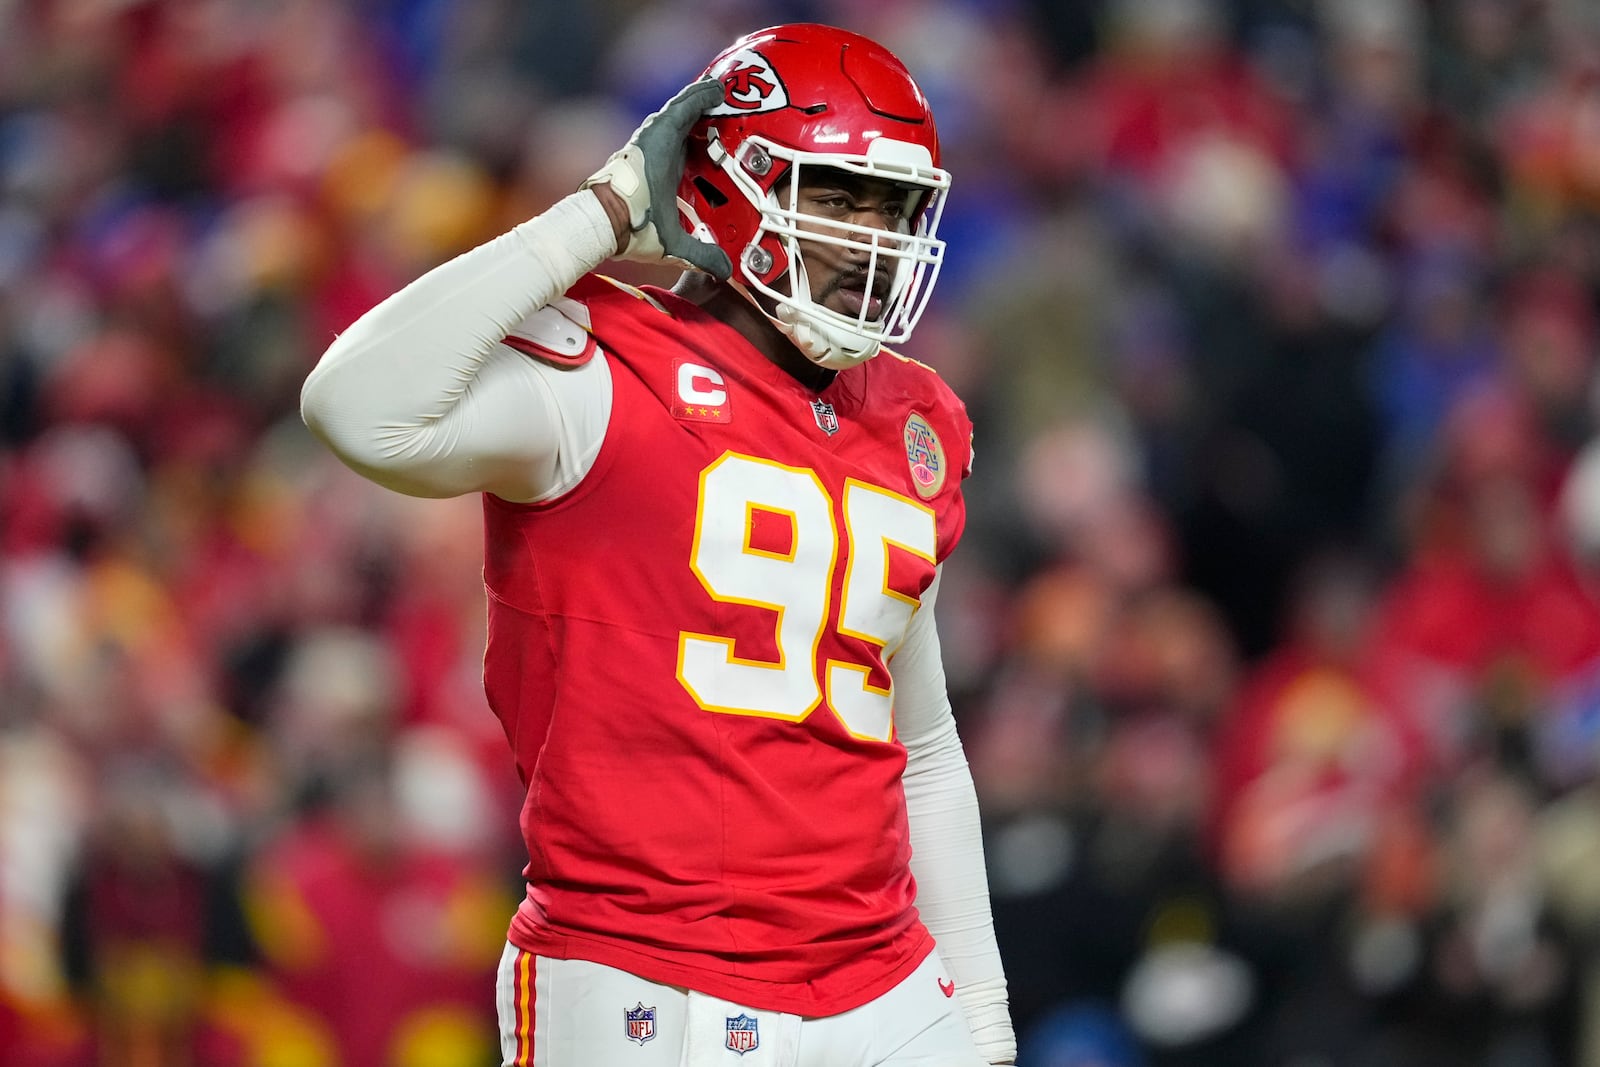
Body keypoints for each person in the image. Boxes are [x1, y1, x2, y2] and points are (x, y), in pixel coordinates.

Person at [300, 22, 1015, 1067]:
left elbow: (926, 749)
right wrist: (595, 215)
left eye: (893, 205)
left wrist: (983, 1019)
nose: (873, 237)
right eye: (838, 196)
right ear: (730, 185)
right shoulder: (599, 369)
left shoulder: (916, 417)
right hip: (644, 971)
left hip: (881, 980)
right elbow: (357, 407)